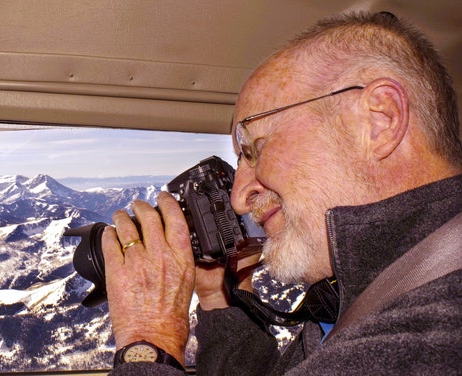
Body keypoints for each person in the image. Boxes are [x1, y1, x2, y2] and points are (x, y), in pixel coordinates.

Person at [101, 11, 462, 375]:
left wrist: (149, 339)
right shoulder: (358, 295)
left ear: (379, 121)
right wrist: (219, 296)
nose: (240, 197)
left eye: (253, 149)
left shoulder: (425, 339)